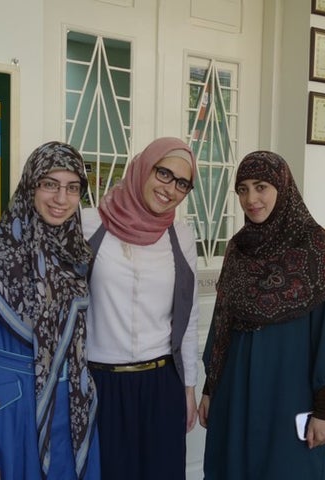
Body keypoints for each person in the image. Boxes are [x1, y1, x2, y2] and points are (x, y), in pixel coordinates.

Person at [0, 142, 100, 480]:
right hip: (13, 419)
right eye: (50, 184)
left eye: (72, 188)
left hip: (72, 412)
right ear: (31, 184)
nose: (61, 199)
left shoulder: (77, 253)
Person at [198, 150, 325, 480]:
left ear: (282, 186)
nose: (251, 199)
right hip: (235, 388)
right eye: (243, 189)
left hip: (289, 389)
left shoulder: (315, 244)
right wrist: (210, 388)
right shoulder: (237, 247)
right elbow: (222, 321)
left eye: (261, 186)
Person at [81, 137, 199, 480]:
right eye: (164, 173)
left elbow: (188, 319)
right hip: (100, 384)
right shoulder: (89, 224)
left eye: (182, 183)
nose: (170, 189)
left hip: (162, 384)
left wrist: (188, 389)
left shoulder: (180, 235)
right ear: (144, 167)